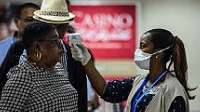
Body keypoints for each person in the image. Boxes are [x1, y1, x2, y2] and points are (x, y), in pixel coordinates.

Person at [70, 28, 196, 112]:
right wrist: (86, 61)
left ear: (159, 53)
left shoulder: (173, 90)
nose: (138, 51)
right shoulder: (140, 82)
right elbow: (106, 91)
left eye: (143, 46)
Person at [0, 0, 87, 111]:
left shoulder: (65, 63)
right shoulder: (21, 70)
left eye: (61, 26)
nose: (56, 32)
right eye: (52, 26)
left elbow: (81, 95)